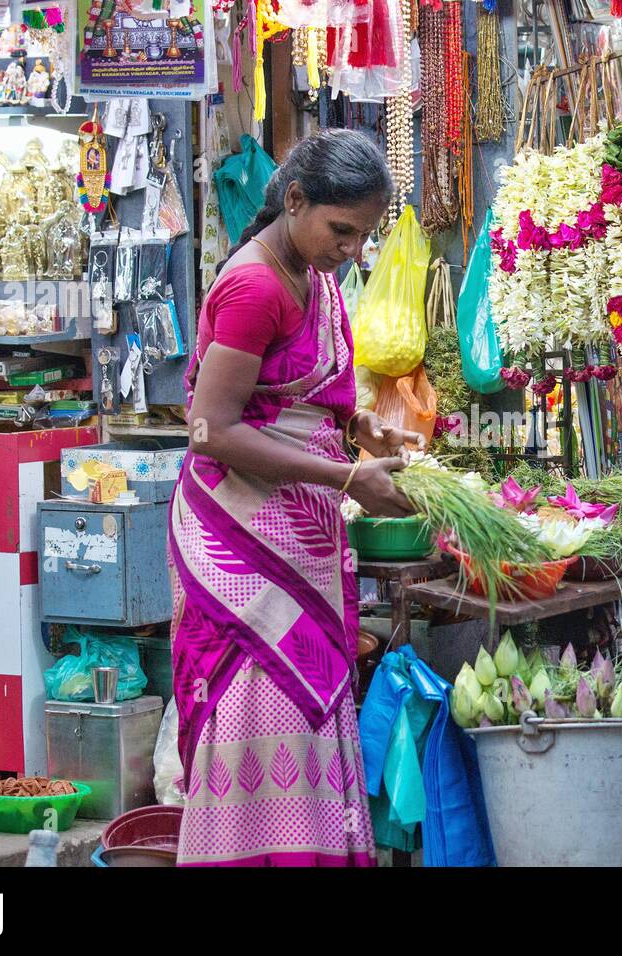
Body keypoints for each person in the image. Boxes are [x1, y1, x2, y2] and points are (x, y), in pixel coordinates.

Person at [167, 129, 422, 866]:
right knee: (259, 701)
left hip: (294, 524)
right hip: (235, 531)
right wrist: (345, 478)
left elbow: (305, 394)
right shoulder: (255, 286)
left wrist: (363, 428)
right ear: (296, 200)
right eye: (342, 230)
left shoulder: (313, 276)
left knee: (306, 705)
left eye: (362, 236)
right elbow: (210, 431)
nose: (351, 249)